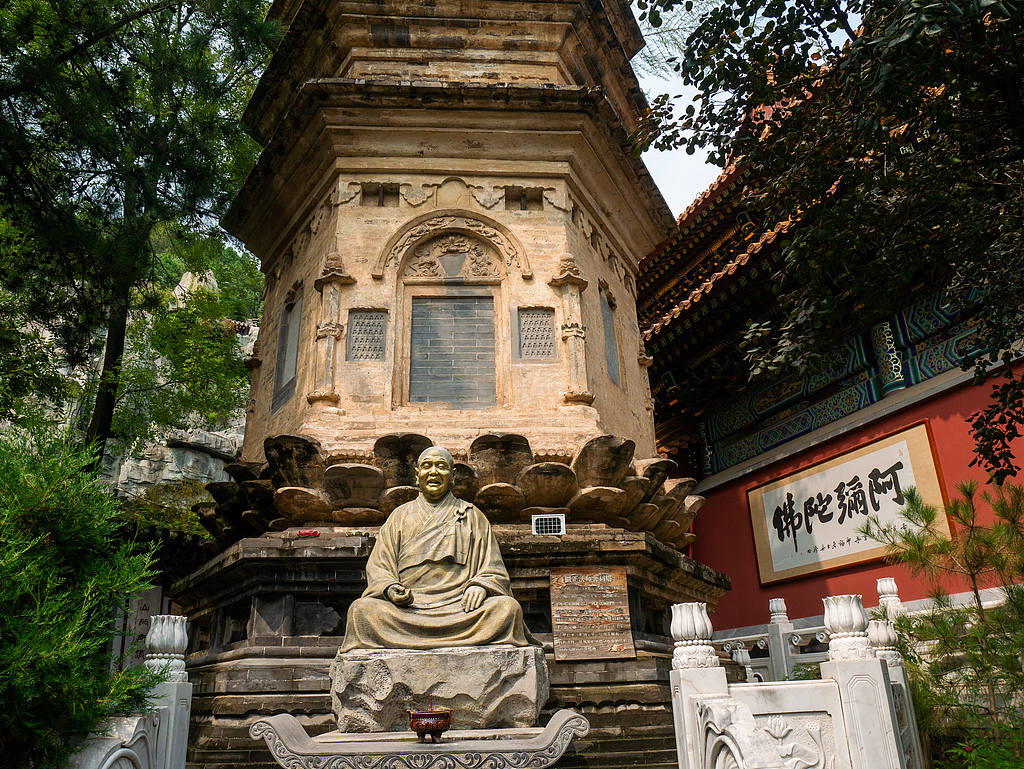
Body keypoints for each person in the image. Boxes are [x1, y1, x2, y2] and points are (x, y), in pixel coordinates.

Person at [339, 446, 538, 651]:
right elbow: (380, 566)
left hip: (460, 608)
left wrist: (481, 585)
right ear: (417, 476)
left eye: (440, 466)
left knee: (507, 609)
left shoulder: (472, 516)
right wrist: (389, 588)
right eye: (427, 466)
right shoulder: (399, 516)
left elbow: (492, 566)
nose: (433, 472)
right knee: (361, 611)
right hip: (408, 610)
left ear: (452, 477)